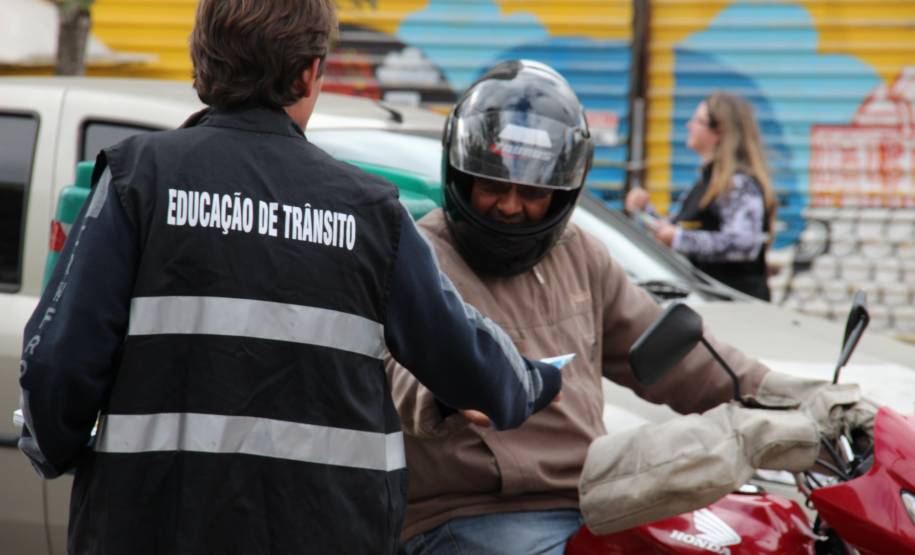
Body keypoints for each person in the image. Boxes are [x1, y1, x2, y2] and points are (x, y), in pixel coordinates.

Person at [16, 3, 560, 554]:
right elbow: (465, 357)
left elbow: (57, 359)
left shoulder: (139, 180)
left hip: (149, 529)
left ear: (201, 59)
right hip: (330, 532)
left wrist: (53, 449)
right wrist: (534, 381)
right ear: (308, 72)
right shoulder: (370, 212)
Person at [386, 61, 871, 555]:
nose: (510, 207)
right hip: (476, 515)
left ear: (561, 193)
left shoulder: (581, 256)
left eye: (532, 192)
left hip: (595, 501)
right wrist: (455, 388)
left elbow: (676, 355)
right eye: (492, 186)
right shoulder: (419, 259)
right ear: (460, 175)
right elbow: (400, 379)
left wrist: (803, 399)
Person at [625, 92, 777, 300]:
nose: (689, 125)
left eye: (697, 120)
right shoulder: (706, 183)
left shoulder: (739, 184)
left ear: (719, 131)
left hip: (737, 310)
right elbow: (682, 229)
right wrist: (647, 211)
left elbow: (743, 245)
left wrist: (678, 238)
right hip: (712, 303)